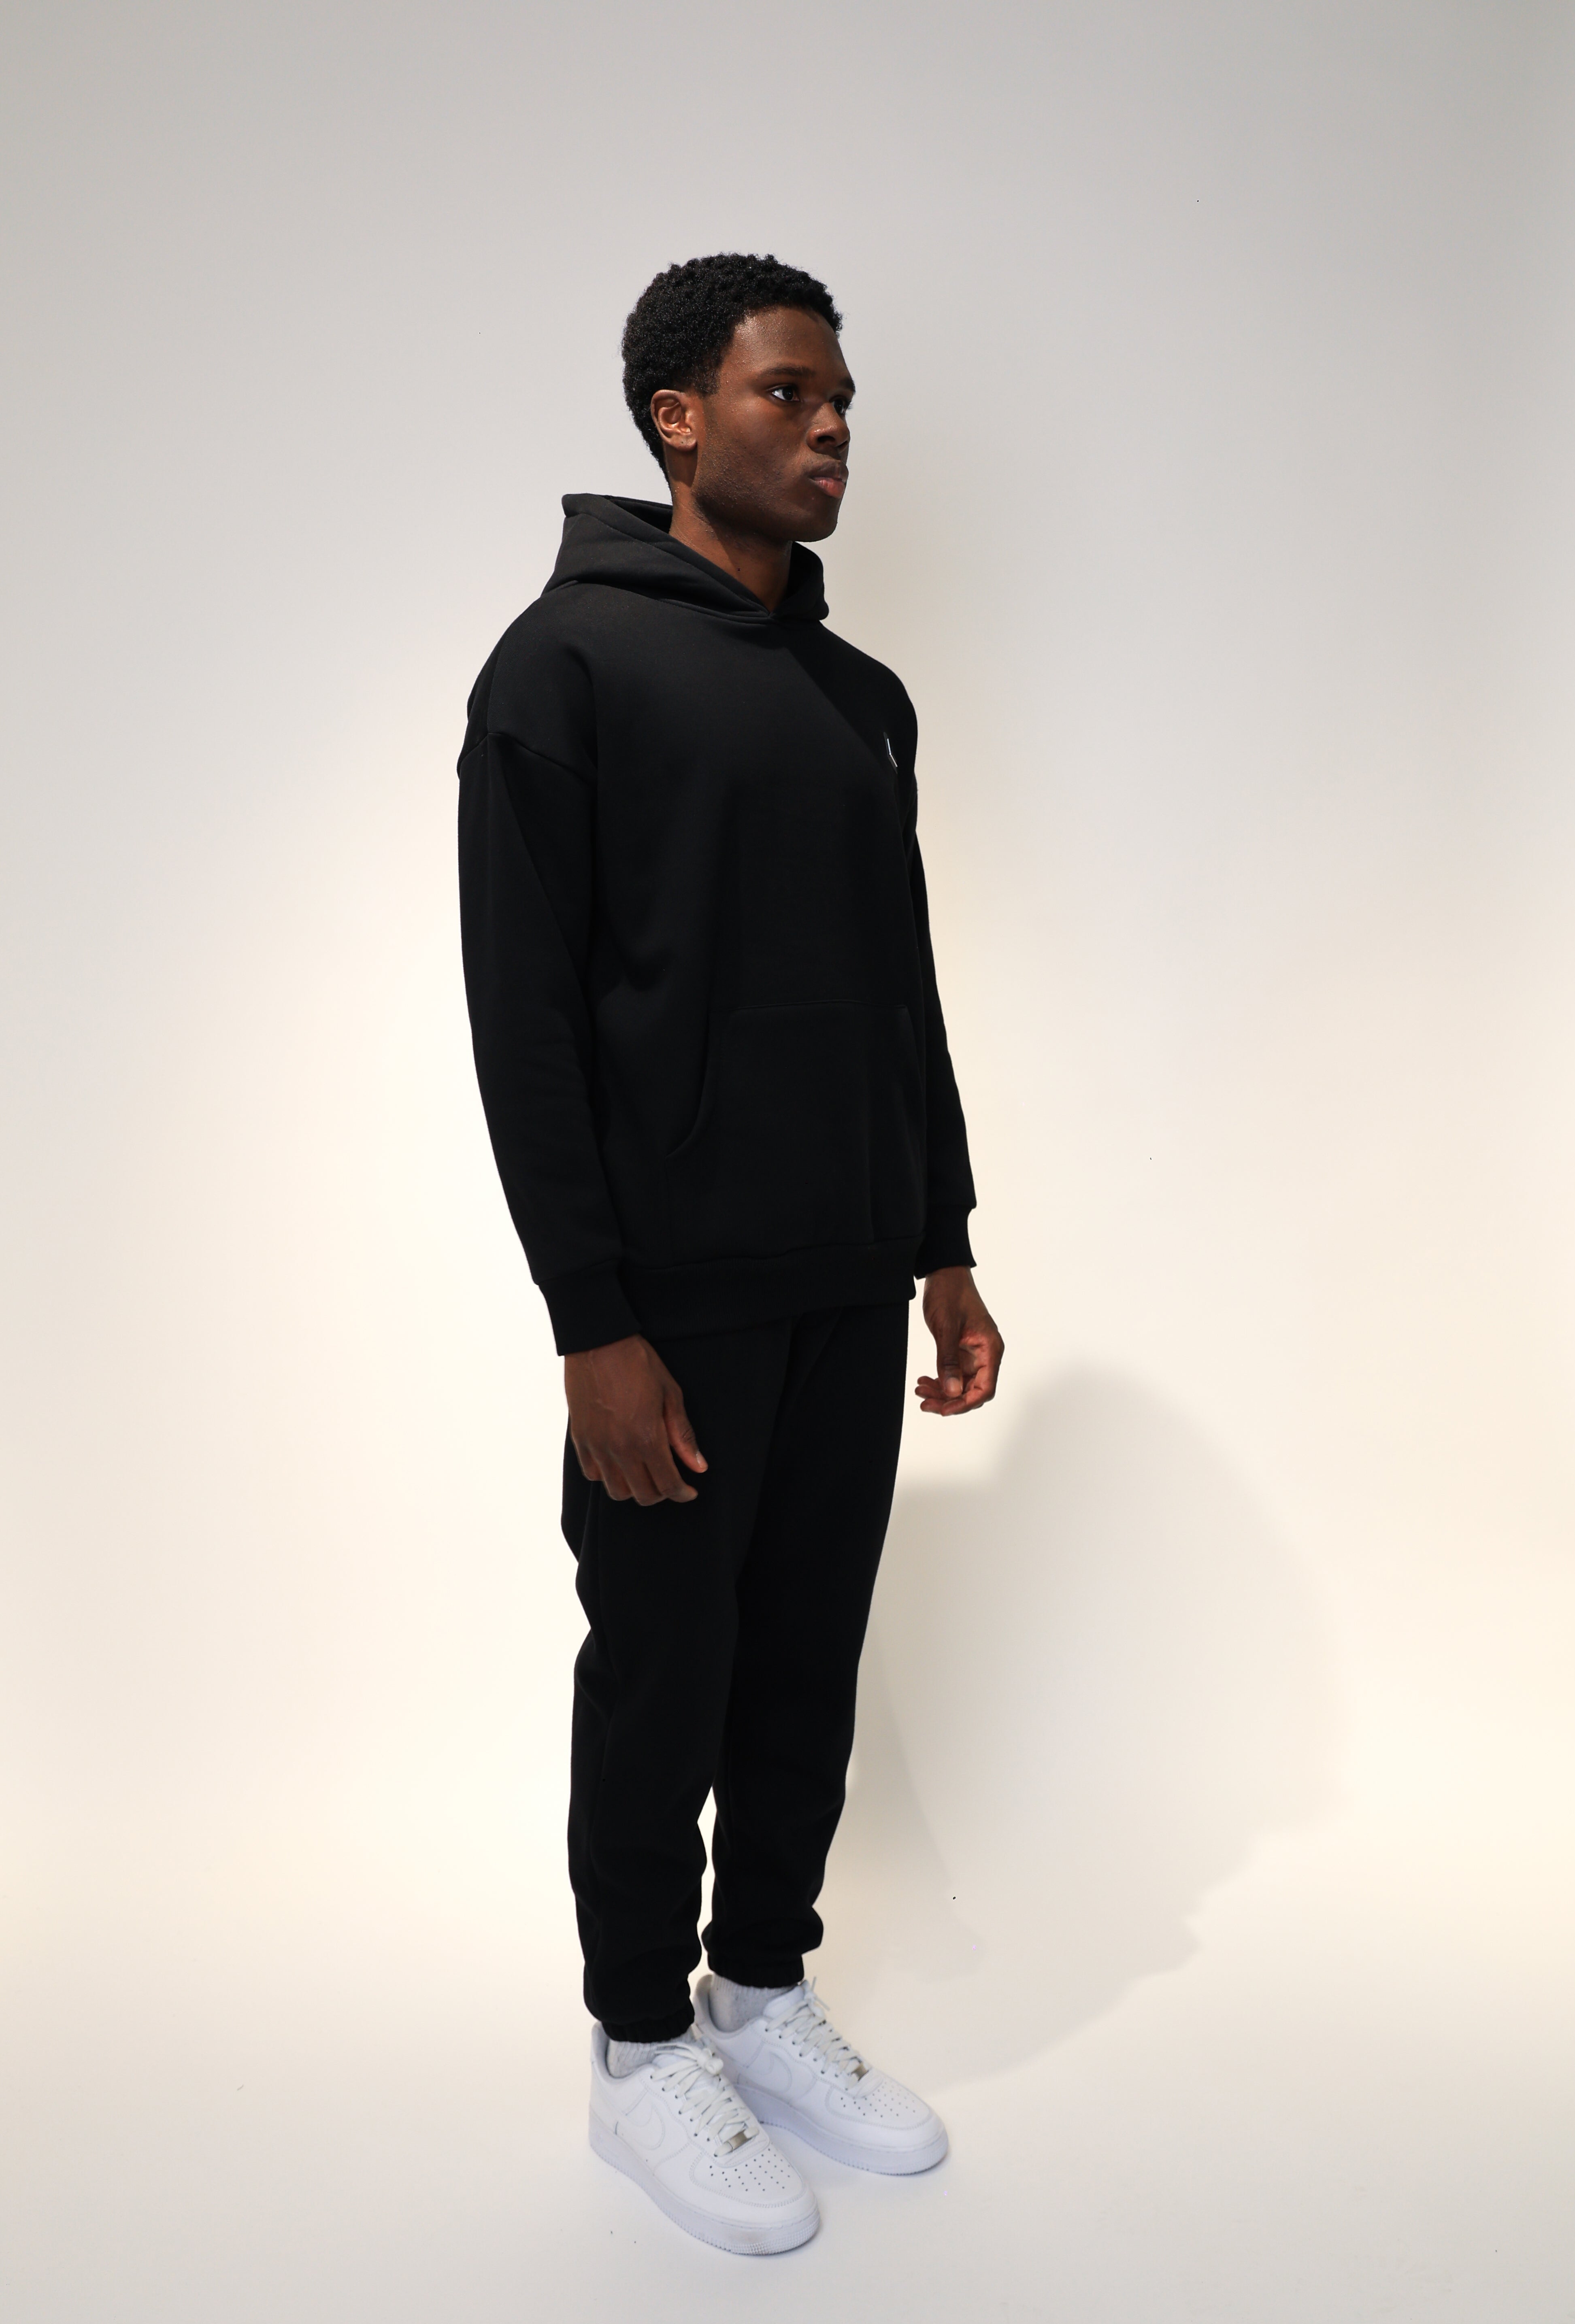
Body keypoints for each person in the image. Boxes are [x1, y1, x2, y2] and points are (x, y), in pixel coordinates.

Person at [457, 252, 1003, 2256]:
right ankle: (636, 2042)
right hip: (672, 1298)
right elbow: (523, 1021)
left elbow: (898, 990)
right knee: (662, 1668)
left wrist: (943, 1239)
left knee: (803, 1652)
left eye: (842, 397)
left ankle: (760, 1987)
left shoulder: (862, 702)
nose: (830, 425)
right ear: (677, 418)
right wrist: (590, 1320)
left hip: (850, 1267)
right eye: (788, 392)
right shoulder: (561, 670)